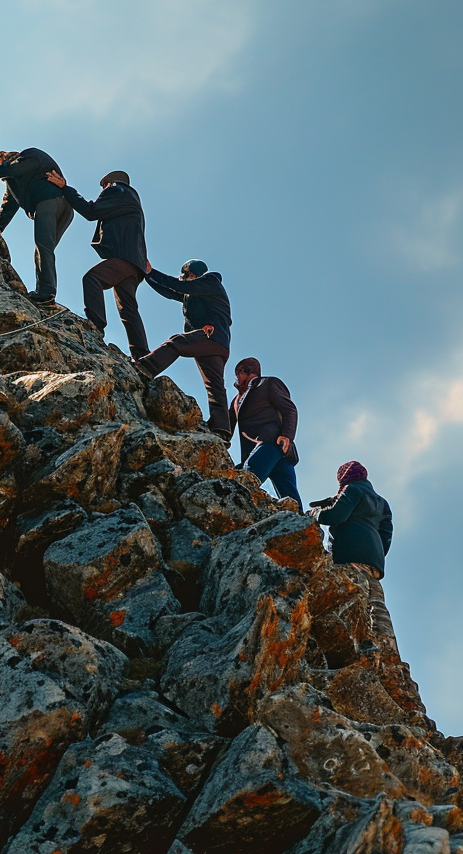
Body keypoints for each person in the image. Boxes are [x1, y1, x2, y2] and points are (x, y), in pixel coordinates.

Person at [45, 168, 149, 358]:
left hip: (124, 258)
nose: (101, 189)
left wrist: (65, 188)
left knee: (92, 278)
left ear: (109, 182)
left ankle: (95, 325)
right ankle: (142, 356)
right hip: (135, 263)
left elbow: (91, 211)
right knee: (128, 309)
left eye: (103, 185)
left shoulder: (117, 190)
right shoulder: (132, 200)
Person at [135, 261, 232, 441]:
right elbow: (171, 292)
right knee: (214, 386)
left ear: (192, 274)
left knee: (177, 342)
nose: (184, 278)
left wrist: (151, 271)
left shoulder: (209, 282)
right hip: (217, 344)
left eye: (185, 274)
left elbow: (177, 285)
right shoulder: (196, 292)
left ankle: (145, 368)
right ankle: (221, 430)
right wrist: (148, 275)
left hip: (211, 336)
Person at [310, 461, 397, 656]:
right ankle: (388, 652)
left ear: (343, 479)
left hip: (349, 554)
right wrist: (374, 554)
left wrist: (316, 513)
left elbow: (336, 516)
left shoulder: (352, 490)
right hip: (373, 562)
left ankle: (361, 646)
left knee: (354, 601)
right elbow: (386, 535)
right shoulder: (382, 502)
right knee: (377, 608)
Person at [0, 144, 73, 304]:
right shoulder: (15, 181)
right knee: (43, 250)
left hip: (49, 202)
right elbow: (9, 204)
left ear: (4, 158)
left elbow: (1, 171)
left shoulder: (30, 156)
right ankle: (45, 292)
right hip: (63, 209)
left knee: (43, 247)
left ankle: (46, 293)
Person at [230, 357, 302, 507]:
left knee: (248, 479)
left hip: (272, 442)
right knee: (290, 497)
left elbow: (289, 409)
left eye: (238, 373)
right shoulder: (236, 401)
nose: (236, 378)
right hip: (262, 449)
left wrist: (287, 435)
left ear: (246, 372)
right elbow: (227, 425)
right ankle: (300, 522)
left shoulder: (268, 383)